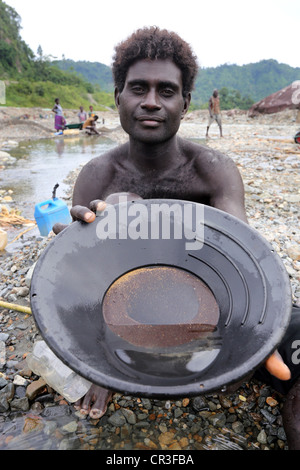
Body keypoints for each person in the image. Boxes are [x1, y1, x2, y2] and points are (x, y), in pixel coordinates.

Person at [52, 26, 300, 449]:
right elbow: (83, 280)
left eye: (166, 91)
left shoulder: (212, 169)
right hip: (128, 312)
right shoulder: (99, 174)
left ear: (185, 104)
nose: (151, 101)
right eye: (138, 89)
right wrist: (80, 239)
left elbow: (242, 259)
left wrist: (256, 338)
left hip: (211, 311)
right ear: (118, 97)